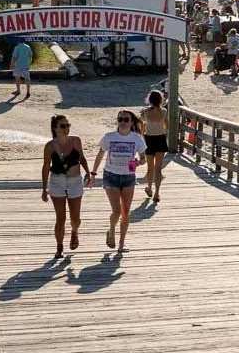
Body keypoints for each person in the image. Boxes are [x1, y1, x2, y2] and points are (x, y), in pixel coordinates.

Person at [89, 110, 147, 255]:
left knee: (126, 213)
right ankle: (111, 229)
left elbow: (144, 158)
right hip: (111, 176)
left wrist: (138, 163)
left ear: (131, 122)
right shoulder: (109, 137)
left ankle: (121, 244)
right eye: (120, 119)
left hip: (128, 177)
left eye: (126, 119)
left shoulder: (137, 138)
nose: (122, 122)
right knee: (116, 211)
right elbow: (100, 154)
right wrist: (93, 173)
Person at [41, 114, 86, 258]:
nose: (66, 128)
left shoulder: (76, 141)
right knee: (60, 218)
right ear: (55, 128)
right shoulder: (50, 146)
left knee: (75, 217)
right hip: (57, 182)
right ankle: (59, 247)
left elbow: (81, 157)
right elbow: (46, 166)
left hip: (75, 181)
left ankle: (74, 232)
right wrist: (44, 188)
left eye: (68, 125)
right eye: (63, 126)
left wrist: (89, 173)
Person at [140, 91, 169, 202]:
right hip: (160, 139)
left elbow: (142, 125)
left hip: (149, 139)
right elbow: (167, 126)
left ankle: (149, 188)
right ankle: (157, 193)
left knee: (150, 168)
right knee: (158, 168)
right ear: (160, 100)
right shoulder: (164, 111)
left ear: (150, 100)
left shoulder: (145, 111)